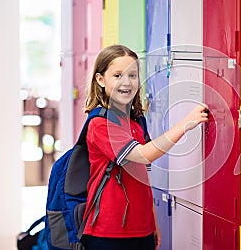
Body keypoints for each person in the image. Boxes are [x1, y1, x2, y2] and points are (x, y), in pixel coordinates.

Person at [81, 44, 209, 250]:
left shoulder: (135, 121)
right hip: (107, 233)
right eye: (117, 75)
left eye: (132, 75)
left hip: (142, 230)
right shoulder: (100, 124)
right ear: (100, 80)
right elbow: (142, 156)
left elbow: (142, 176)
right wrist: (184, 125)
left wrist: (152, 223)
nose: (126, 82)